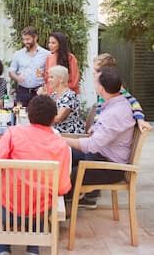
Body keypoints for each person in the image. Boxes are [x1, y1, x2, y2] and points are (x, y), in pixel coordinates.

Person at [0, 95, 71, 255]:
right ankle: (33, 249)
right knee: (43, 199)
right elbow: (62, 188)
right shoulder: (62, 145)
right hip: (41, 213)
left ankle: (3, 249)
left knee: (0, 192)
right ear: (54, 119)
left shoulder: (13, 133)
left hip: (6, 211)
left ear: (28, 115)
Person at [64, 66, 136, 208]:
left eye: (96, 82)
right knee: (65, 154)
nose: (94, 84)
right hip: (102, 155)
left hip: (110, 167)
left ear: (102, 88)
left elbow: (91, 145)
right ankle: (65, 203)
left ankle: (63, 208)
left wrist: (61, 139)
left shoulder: (115, 113)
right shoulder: (116, 102)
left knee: (68, 173)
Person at [93, 53, 151, 133]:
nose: (93, 73)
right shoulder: (103, 91)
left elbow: (134, 102)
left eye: (97, 70)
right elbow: (99, 110)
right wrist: (95, 127)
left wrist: (140, 119)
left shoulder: (117, 89)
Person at [9, 26, 48, 107]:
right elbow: (11, 71)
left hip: (39, 92)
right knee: (20, 115)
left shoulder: (46, 54)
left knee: (39, 117)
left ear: (35, 38)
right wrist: (17, 78)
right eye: (23, 39)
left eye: (28, 39)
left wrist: (45, 86)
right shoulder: (18, 54)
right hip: (22, 92)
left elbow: (51, 74)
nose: (25, 42)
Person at [46, 65, 85, 133]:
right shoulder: (54, 95)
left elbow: (58, 118)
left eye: (52, 77)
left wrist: (39, 119)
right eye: (49, 77)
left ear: (61, 79)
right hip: (56, 131)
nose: (49, 80)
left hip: (69, 133)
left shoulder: (69, 95)